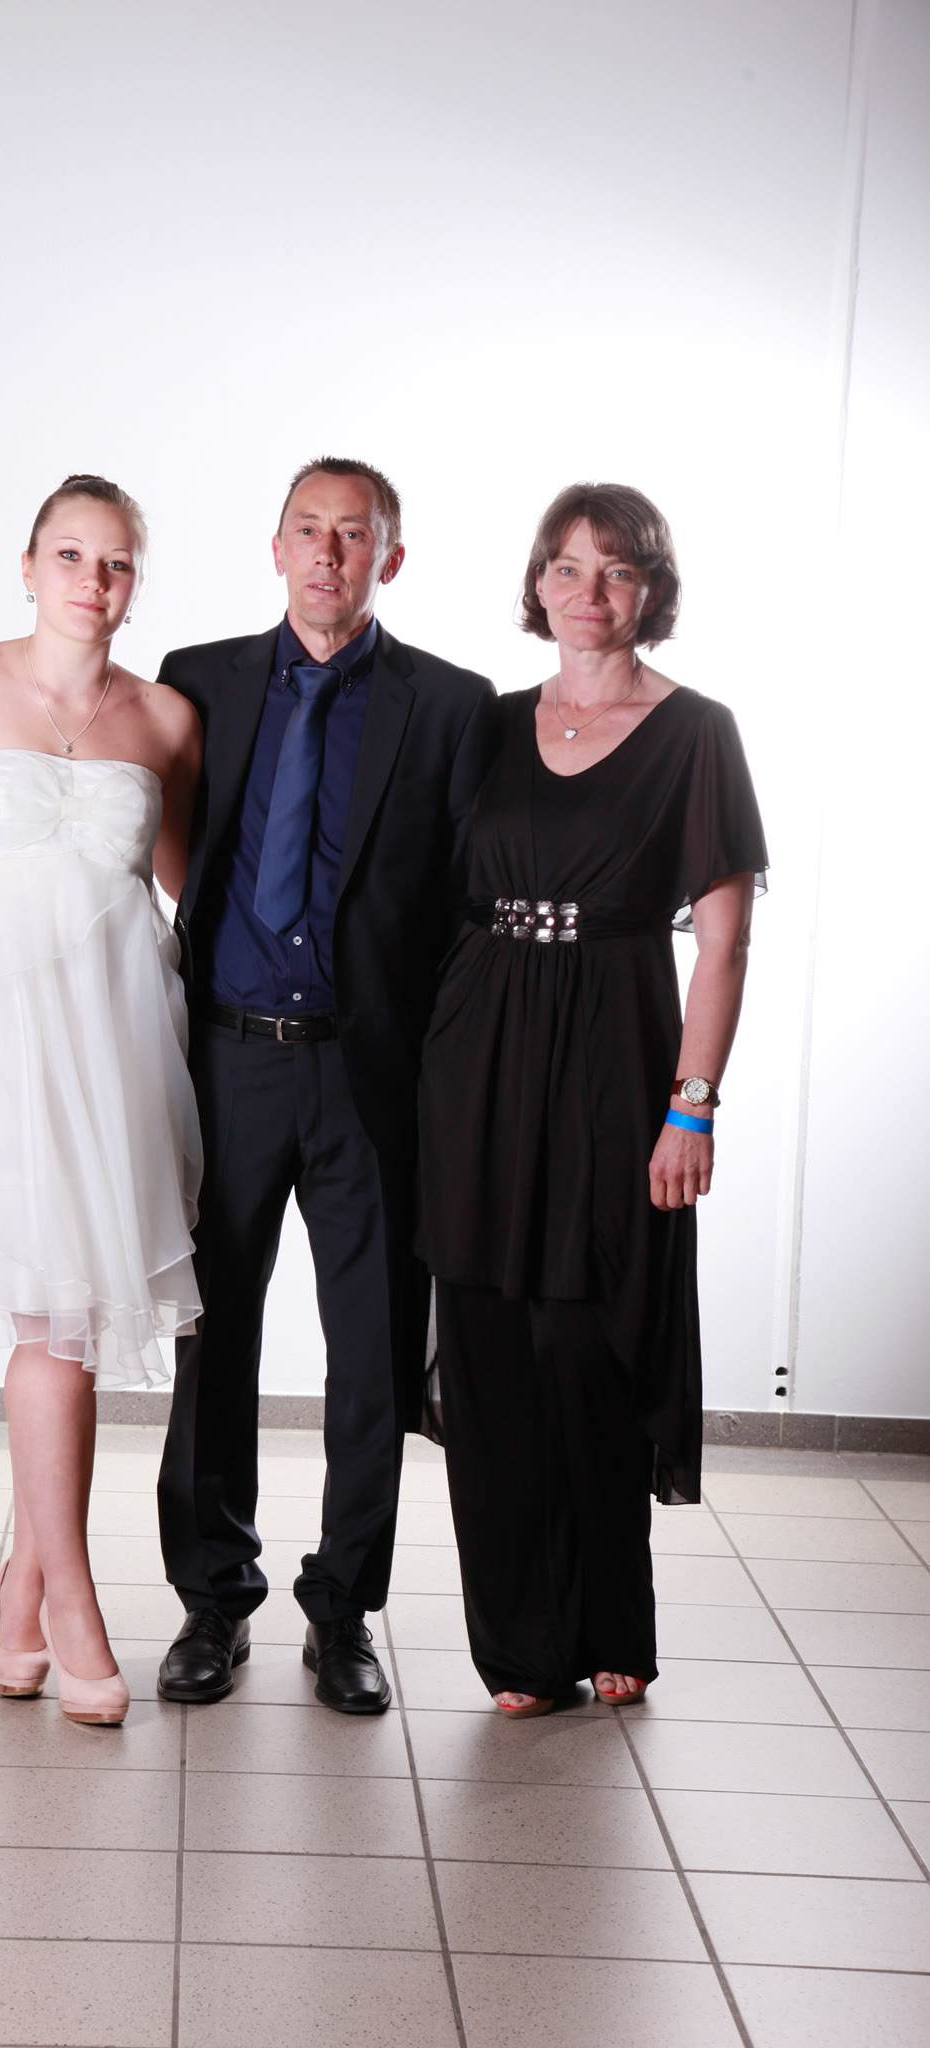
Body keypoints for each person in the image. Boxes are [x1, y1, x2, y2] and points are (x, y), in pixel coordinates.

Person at [416, 482, 768, 1717]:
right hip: (476, 1051)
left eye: (617, 569)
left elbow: (722, 945)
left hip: (619, 1050)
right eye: (566, 566)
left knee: (591, 1341)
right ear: (537, 582)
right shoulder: (487, 723)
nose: (589, 590)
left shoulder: (698, 732)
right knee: (488, 1345)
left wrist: (693, 1104)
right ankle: (520, 1646)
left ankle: (611, 1617)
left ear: (651, 589)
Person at [155, 457, 495, 1714]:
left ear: (389, 558)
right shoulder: (198, 681)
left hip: (369, 1075)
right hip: (229, 1060)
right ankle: (212, 1599)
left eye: (355, 535)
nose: (329, 554)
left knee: (374, 1354)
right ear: (276, 545)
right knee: (215, 1339)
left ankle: (344, 1606)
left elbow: (463, 908)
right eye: (309, 529)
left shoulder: (450, 705)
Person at [0, 474, 202, 1727]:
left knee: (64, 1326)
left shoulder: (166, 718)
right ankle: (72, 1599)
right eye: (70, 554)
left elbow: (194, 888)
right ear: (27, 565)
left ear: (137, 582)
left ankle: (22, 1588)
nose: (92, 580)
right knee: (52, 1326)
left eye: (115, 562)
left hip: (115, 1058)